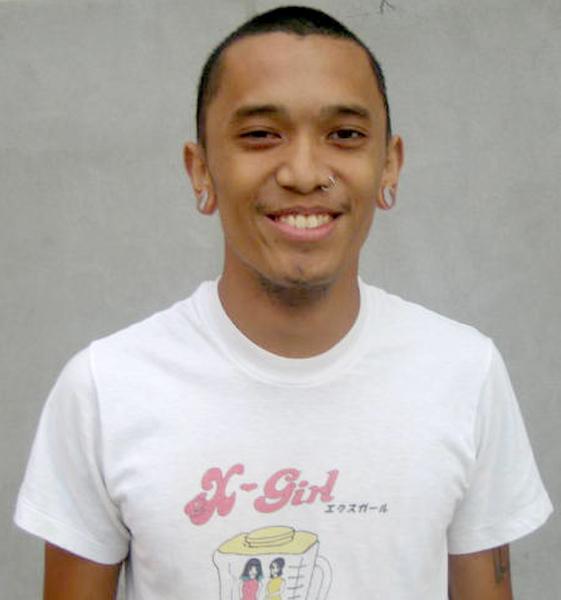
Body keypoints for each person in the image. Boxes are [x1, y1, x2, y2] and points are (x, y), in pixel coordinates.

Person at [15, 5, 552, 600]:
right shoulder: (103, 390)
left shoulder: (464, 373)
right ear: (201, 171)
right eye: (260, 135)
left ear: (389, 166)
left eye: (344, 135)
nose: (302, 172)